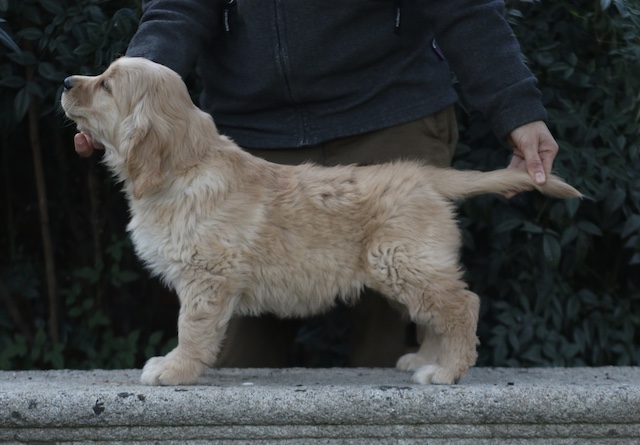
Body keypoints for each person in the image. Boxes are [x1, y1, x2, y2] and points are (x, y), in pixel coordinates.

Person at [74, 0, 559, 367]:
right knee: (236, 359)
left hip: (388, 115)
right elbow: (177, 7)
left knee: (391, 338)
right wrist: (129, 102)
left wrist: (516, 108)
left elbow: (465, 6)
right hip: (251, 133)